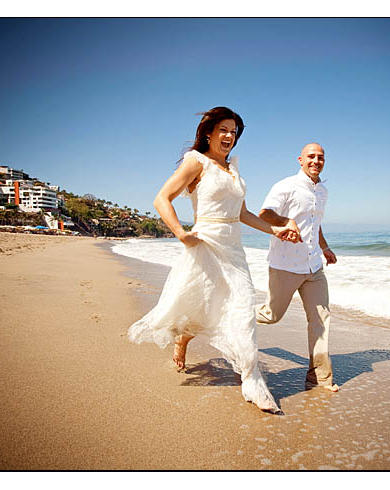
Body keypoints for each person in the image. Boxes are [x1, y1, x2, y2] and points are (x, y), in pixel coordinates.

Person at [127, 107, 300, 413]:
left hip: (234, 250)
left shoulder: (233, 169)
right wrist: (181, 233)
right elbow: (161, 198)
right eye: (223, 129)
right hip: (205, 244)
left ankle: (251, 379)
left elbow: (242, 214)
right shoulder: (197, 162)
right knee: (205, 305)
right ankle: (184, 341)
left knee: (243, 307)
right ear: (208, 132)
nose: (229, 136)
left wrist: (275, 230)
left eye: (234, 132)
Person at [255, 142, 340, 392]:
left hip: (313, 266)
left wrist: (324, 247)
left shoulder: (322, 191)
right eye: (311, 156)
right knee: (271, 315)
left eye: (321, 157)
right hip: (285, 265)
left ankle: (320, 377)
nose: (316, 160)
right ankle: (233, 314)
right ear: (300, 160)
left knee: (321, 320)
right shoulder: (286, 186)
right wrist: (286, 221)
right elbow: (264, 214)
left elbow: (315, 223)